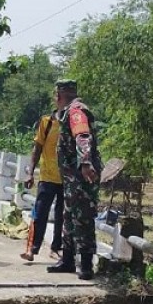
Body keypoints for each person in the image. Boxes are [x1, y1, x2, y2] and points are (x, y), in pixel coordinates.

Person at [47, 79, 102, 280]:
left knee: (82, 218)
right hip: (72, 178)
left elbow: (83, 136)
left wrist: (85, 163)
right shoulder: (69, 111)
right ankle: (67, 260)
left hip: (81, 178)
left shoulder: (76, 112)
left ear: (59, 96)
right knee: (69, 217)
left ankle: (86, 265)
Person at [22, 110, 64, 262]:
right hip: (47, 176)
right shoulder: (47, 122)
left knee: (62, 215)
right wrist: (30, 172)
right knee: (39, 212)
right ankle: (32, 249)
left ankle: (56, 248)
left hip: (67, 178)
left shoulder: (72, 122)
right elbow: (37, 148)